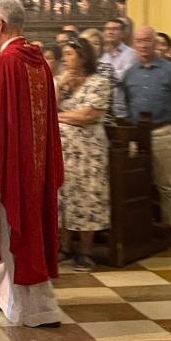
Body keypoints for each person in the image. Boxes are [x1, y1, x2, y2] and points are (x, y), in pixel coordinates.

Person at [0, 0, 62, 326]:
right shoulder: (39, 63)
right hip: (35, 165)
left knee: (12, 230)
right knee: (25, 231)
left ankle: (24, 306)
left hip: (12, 167)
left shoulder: (3, 63)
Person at [121, 24, 171, 238]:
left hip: (162, 132)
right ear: (134, 44)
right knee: (138, 185)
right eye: (139, 41)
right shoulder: (130, 73)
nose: (143, 45)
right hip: (137, 135)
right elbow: (128, 104)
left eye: (147, 40)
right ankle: (143, 228)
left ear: (156, 43)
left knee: (166, 185)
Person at [56, 37, 110, 272]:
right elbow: (46, 105)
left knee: (86, 197)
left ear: (83, 56)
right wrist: (60, 86)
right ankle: (64, 247)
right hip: (62, 151)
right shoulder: (62, 82)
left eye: (69, 54)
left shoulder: (99, 82)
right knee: (63, 198)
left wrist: (56, 116)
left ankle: (85, 251)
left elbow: (88, 115)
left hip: (88, 151)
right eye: (64, 54)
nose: (65, 59)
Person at [100, 17, 134, 116]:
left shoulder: (131, 54)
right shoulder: (101, 55)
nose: (110, 32)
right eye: (107, 29)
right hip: (102, 108)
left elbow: (122, 78)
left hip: (122, 110)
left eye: (114, 29)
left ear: (123, 33)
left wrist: (104, 75)